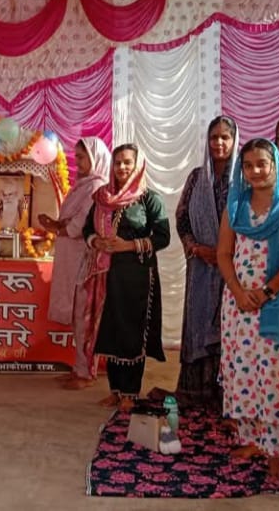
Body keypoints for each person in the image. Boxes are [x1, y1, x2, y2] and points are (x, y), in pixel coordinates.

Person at [215, 138, 279, 480]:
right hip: (238, 304)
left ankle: (276, 448)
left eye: (261, 164)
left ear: (275, 165)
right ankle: (251, 438)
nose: (254, 171)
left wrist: (267, 291)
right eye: (248, 165)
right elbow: (224, 253)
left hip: (275, 302)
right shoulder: (236, 205)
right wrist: (239, 292)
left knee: (272, 374)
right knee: (241, 369)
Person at [82, 143, 169, 410]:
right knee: (111, 331)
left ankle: (130, 393)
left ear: (137, 165)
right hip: (106, 275)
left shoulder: (148, 198)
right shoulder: (102, 197)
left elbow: (163, 237)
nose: (122, 167)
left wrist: (128, 245)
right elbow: (87, 229)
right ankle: (115, 390)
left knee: (132, 332)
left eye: (127, 162)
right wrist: (97, 241)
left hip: (137, 277)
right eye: (118, 162)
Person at [174, 116, 239, 408]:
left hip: (234, 267)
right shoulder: (197, 177)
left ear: (235, 140)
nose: (219, 143)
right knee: (198, 321)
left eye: (225, 137)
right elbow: (182, 218)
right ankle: (194, 392)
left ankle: (227, 397)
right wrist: (197, 248)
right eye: (214, 137)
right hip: (200, 265)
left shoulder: (244, 179)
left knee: (229, 326)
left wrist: (225, 252)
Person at [38, 137, 111, 391]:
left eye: (81, 157)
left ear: (95, 158)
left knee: (83, 317)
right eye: (76, 156)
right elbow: (70, 221)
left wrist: (58, 228)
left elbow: (79, 225)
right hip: (72, 257)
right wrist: (55, 225)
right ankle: (79, 367)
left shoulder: (96, 186)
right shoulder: (83, 185)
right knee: (77, 316)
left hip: (85, 259)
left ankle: (86, 372)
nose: (76, 162)